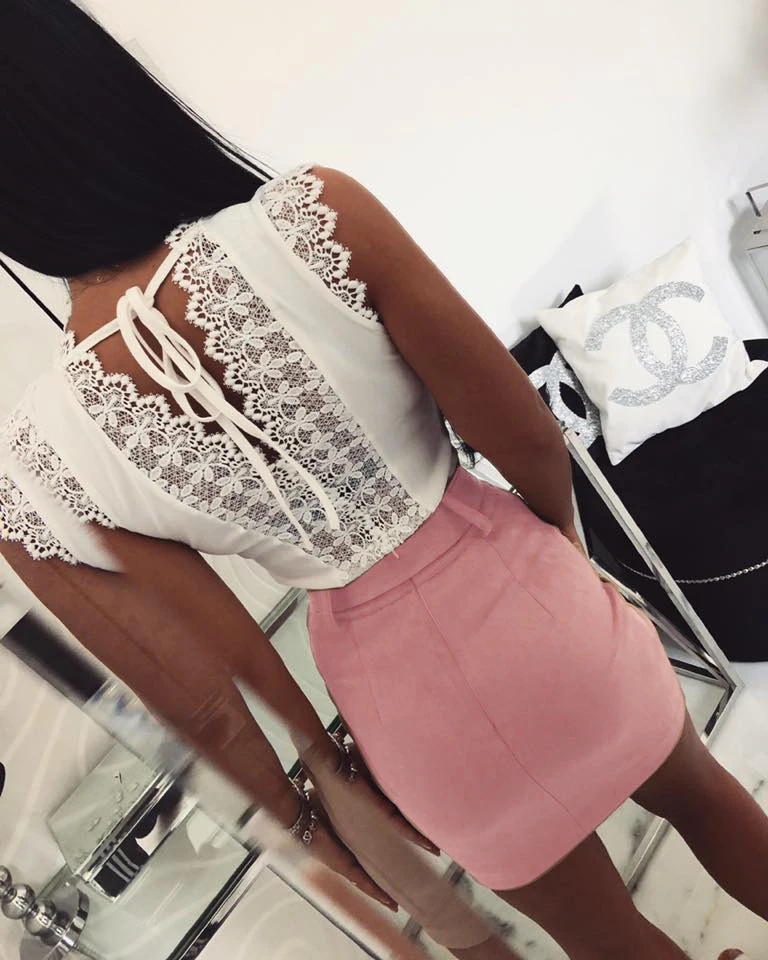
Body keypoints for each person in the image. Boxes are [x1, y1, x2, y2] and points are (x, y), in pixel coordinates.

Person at [0, 3, 765, 958]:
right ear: (110, 89)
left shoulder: (36, 466)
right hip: (535, 598)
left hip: (403, 714)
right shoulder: (310, 218)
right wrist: (566, 566)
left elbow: (212, 692)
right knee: (706, 799)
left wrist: (320, 781)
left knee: (602, 939)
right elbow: (526, 437)